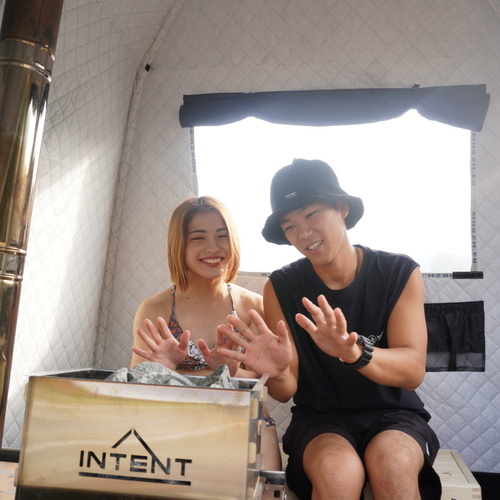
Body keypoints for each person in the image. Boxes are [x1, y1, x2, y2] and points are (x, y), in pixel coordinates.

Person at [217, 159, 441, 500]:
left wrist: (354, 353)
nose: (303, 233)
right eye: (289, 226)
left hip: (395, 415)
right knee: (338, 476)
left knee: (394, 466)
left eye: (311, 214)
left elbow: (412, 371)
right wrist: (277, 372)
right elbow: (285, 391)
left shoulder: (398, 272)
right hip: (320, 419)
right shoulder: (281, 286)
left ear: (342, 208)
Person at [131, 195, 282, 471]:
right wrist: (161, 370)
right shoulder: (154, 309)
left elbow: (268, 382)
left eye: (222, 236)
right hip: (177, 424)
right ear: (179, 245)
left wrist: (232, 373)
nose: (213, 247)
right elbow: (134, 391)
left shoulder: (254, 307)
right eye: (198, 238)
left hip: (246, 420)